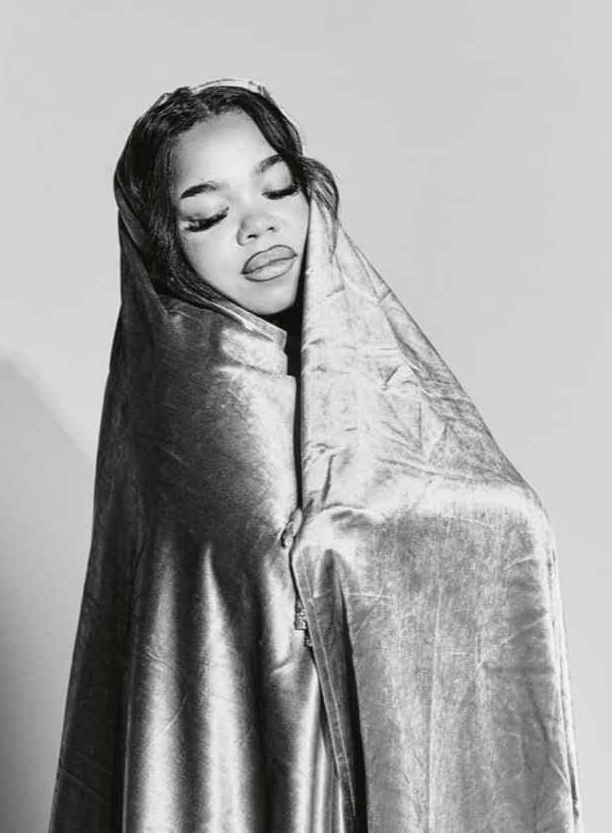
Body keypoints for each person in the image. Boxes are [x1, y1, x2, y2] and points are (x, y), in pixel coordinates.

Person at [49, 79, 582, 832]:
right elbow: (261, 600)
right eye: (208, 215)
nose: (258, 225)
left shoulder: (367, 362)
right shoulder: (195, 413)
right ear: (163, 250)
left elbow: (496, 520)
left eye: (277, 188)